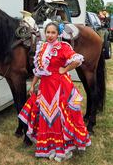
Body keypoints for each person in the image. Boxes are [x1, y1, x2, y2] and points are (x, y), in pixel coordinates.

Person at [18, 22, 91, 162]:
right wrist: (33, 85)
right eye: (48, 32)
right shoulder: (42, 47)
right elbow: (39, 71)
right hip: (45, 87)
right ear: (45, 33)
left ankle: (62, 148)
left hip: (59, 87)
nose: (50, 35)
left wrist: (64, 69)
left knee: (60, 117)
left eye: (53, 33)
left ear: (58, 34)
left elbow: (77, 60)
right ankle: (50, 147)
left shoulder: (63, 47)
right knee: (46, 116)